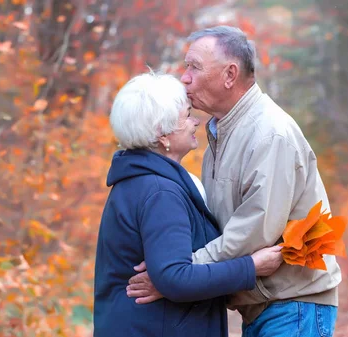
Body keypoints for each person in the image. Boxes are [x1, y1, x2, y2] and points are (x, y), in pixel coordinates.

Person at [127, 26, 342, 337]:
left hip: (294, 307)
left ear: (230, 75)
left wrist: (177, 273)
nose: (184, 77)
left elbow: (254, 231)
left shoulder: (269, 133)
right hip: (264, 307)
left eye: (194, 67)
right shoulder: (220, 132)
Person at [93, 71, 284, 337]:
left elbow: (169, 274)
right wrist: (251, 267)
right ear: (163, 133)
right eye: (186, 115)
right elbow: (175, 278)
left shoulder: (139, 182)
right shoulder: (160, 192)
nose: (195, 121)